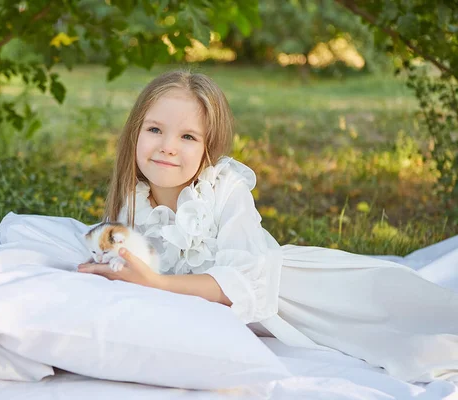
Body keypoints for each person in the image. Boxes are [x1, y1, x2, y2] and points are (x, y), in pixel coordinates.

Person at [77, 69, 458, 384]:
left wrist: (156, 284)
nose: (167, 146)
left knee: (412, 327)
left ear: (209, 147)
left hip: (301, 294)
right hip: (266, 320)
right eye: (155, 130)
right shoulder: (134, 202)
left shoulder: (225, 188)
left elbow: (246, 281)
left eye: (188, 136)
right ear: (134, 134)